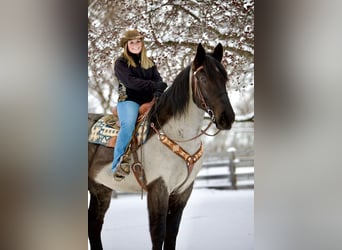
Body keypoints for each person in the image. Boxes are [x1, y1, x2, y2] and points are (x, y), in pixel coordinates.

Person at [112, 29, 167, 181]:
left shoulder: (150, 63)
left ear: (142, 44)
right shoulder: (121, 63)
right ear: (126, 45)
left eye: (138, 41)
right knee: (128, 125)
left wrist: (159, 91)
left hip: (150, 100)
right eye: (132, 42)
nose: (135, 45)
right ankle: (118, 163)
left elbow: (159, 81)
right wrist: (154, 86)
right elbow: (131, 82)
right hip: (130, 100)